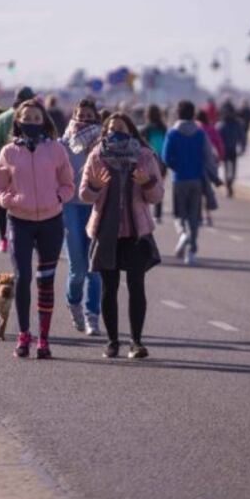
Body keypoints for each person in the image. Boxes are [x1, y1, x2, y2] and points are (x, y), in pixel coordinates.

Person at [0, 98, 74, 359]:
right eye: (27, 118)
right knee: (23, 278)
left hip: (51, 222)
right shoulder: (9, 152)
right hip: (20, 222)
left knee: (45, 281)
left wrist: (58, 198)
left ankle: (44, 339)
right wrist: (10, 200)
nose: (32, 123)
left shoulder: (56, 150)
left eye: (37, 119)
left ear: (44, 122)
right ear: (18, 121)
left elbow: (68, 184)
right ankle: (24, 334)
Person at [80, 112, 163, 359]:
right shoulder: (97, 156)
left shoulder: (145, 156)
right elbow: (84, 194)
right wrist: (94, 186)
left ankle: (136, 342)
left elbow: (157, 195)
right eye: (111, 128)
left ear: (131, 130)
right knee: (110, 287)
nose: (116, 131)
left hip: (136, 232)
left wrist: (147, 182)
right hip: (107, 231)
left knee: (137, 286)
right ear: (104, 132)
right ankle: (112, 341)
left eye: (121, 127)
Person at [59, 98, 104, 336]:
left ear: (96, 118)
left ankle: (92, 315)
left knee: (94, 268)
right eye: (81, 115)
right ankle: (73, 303)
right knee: (77, 269)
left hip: (95, 208)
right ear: (74, 116)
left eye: (89, 116)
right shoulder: (62, 144)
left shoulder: (102, 144)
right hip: (71, 209)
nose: (84, 120)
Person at [0, 86, 37, 253]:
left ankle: (4, 240)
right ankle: (28, 241)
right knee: (25, 206)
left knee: (2, 207)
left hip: (4, 171)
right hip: (27, 172)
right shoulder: (37, 118)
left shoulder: (2, 118)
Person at [163, 100, 215, 266]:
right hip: (197, 180)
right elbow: (209, 155)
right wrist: (212, 174)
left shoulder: (172, 133)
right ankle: (191, 252)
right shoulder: (200, 134)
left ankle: (183, 234)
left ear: (178, 114)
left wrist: (175, 167)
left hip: (179, 179)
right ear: (193, 114)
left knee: (179, 214)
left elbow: (165, 157)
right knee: (194, 216)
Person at [139, 104, 168, 223]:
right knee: (158, 186)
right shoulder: (164, 128)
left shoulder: (145, 129)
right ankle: (158, 214)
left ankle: (145, 213)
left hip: (149, 161)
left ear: (147, 115)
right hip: (162, 161)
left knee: (146, 186)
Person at [195, 109, 224, 226]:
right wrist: (220, 158)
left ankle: (200, 216)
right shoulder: (212, 130)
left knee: (199, 192)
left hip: (198, 165)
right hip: (211, 164)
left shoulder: (197, 130)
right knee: (207, 190)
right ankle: (208, 216)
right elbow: (220, 144)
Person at [217, 102, 246, 198]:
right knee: (228, 169)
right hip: (226, 149)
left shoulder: (235, 124)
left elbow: (242, 136)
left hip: (232, 149)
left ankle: (229, 183)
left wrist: (242, 147)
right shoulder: (222, 124)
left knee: (232, 170)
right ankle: (229, 185)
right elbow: (218, 138)